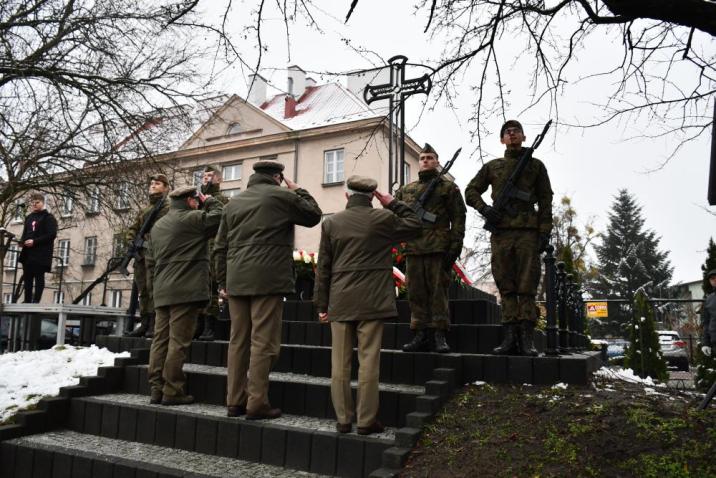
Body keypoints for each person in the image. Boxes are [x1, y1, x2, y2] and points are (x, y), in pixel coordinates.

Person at [214, 160, 321, 419]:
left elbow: (220, 245)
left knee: (237, 341)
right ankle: (257, 403)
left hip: (237, 280)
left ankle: (234, 401)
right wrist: (298, 190)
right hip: (268, 279)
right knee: (263, 341)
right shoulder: (282, 196)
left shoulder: (234, 203)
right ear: (278, 177)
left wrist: (222, 282)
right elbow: (313, 215)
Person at [315, 175, 421, 435]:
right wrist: (392, 203)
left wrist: (321, 303)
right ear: (373, 195)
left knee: (339, 364)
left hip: (340, 300)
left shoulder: (331, 223)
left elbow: (323, 267)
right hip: (373, 300)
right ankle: (366, 421)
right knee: (368, 362)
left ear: (347, 195)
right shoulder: (384, 219)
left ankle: (343, 419)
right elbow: (416, 225)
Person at [465, 120, 553, 356]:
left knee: (527, 285)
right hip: (501, 232)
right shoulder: (493, 166)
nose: (512, 134)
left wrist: (544, 231)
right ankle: (509, 336)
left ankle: (527, 338)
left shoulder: (535, 166)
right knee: (506, 285)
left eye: (516, 132)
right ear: (502, 139)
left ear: (524, 137)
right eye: (507, 132)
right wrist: (485, 209)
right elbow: (471, 191)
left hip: (527, 232)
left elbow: (546, 200)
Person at [145, 185, 223, 405]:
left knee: (160, 340)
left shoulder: (158, 226)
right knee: (178, 343)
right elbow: (219, 217)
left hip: (162, 290)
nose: (198, 203)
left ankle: (156, 389)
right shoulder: (193, 218)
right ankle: (173, 391)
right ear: (190, 200)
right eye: (196, 200)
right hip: (185, 290)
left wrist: (153, 292)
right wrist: (209, 200)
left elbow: (149, 261)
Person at [395, 144, 467, 353]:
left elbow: (458, 218)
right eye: (423, 158)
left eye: (430, 158)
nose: (425, 160)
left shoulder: (448, 188)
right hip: (414, 249)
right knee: (416, 293)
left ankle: (439, 335)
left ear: (437, 161)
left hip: (438, 249)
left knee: (438, 293)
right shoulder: (406, 190)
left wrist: (454, 247)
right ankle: (419, 333)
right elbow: (396, 218)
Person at [125, 174, 170, 338]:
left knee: (153, 289)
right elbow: (134, 227)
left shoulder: (166, 206)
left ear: (165, 187)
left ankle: (153, 324)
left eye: (157, 184)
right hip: (141, 255)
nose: (153, 186)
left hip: (154, 254)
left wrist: (146, 238)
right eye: (151, 183)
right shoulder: (146, 209)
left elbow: (161, 228)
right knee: (143, 290)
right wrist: (131, 239)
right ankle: (144, 322)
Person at [196, 164, 229, 341]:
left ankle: (210, 325)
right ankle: (199, 324)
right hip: (197, 250)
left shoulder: (223, 200)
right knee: (198, 287)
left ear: (218, 179)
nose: (206, 178)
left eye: (210, 175)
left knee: (212, 288)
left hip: (213, 249)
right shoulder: (195, 201)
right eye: (204, 176)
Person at [18, 193, 58, 303]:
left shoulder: (48, 218)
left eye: (37, 203)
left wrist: (35, 242)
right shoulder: (29, 217)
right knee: (27, 278)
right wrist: (22, 242)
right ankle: (27, 300)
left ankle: (36, 300)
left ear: (43, 203)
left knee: (39, 277)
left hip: (41, 253)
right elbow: (26, 232)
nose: (35, 205)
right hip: (28, 253)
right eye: (33, 203)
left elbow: (51, 234)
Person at [701, 269, 716, 358]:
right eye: (712, 278)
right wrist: (705, 343)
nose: (714, 280)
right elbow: (706, 323)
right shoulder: (709, 300)